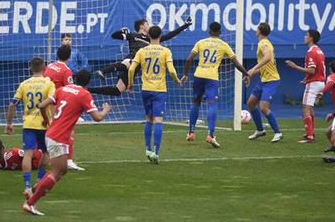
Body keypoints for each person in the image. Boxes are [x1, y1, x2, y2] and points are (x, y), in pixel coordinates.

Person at [23, 70, 111, 215]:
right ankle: (30, 203)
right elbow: (97, 118)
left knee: (62, 170)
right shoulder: (84, 94)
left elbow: (42, 104)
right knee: (57, 173)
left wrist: (46, 120)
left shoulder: (61, 89)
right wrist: (105, 110)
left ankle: (33, 190)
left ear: (74, 79)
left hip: (53, 134)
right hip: (58, 137)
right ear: (88, 83)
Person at [180, 22, 249, 147]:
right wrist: (246, 74)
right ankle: (210, 135)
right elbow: (235, 63)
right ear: (220, 32)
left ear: (209, 31)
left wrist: (185, 74)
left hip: (198, 75)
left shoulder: (201, 42)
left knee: (196, 102)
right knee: (212, 104)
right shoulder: (224, 45)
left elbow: (189, 59)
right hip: (212, 78)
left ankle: (191, 132)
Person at [89, 17, 192, 96]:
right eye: (147, 24)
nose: (149, 26)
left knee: (117, 91)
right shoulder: (133, 35)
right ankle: (103, 71)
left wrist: (185, 25)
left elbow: (169, 35)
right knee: (128, 63)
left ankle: (89, 90)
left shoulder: (151, 39)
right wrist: (121, 31)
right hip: (132, 58)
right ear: (142, 26)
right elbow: (114, 36)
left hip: (135, 68)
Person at [127, 26, 182, 164]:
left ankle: (147, 149)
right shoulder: (165, 51)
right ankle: (156, 153)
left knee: (148, 119)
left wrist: (130, 83)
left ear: (148, 36)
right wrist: (176, 80)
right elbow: (172, 71)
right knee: (158, 120)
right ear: (160, 35)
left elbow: (132, 69)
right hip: (159, 90)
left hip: (146, 89)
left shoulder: (142, 51)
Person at [6, 57, 55, 197]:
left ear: (30, 68)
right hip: (44, 124)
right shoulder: (48, 83)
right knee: (46, 153)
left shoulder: (24, 84)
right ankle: (39, 182)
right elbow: (51, 102)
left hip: (28, 124)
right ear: (44, 67)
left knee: (28, 153)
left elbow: (12, 104)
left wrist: (9, 123)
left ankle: (27, 187)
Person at [43, 45, 84, 171]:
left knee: (48, 131)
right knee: (68, 131)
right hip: (56, 105)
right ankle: (68, 160)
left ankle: (46, 158)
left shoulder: (49, 66)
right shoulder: (66, 70)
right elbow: (70, 90)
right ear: (69, 56)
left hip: (46, 102)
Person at [285, 29, 326, 143]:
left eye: (306, 35)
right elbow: (319, 69)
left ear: (311, 38)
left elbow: (312, 70)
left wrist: (294, 66)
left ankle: (309, 137)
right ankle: (311, 133)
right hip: (320, 82)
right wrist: (306, 78)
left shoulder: (311, 52)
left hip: (314, 83)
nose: (304, 37)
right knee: (310, 108)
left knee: (305, 109)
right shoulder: (319, 51)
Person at [246, 22, 283, 143]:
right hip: (264, 80)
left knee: (263, 107)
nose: (255, 30)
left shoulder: (264, 43)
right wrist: (250, 73)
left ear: (260, 31)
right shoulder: (264, 43)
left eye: (257, 28)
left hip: (271, 80)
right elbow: (265, 65)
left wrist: (253, 68)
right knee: (251, 103)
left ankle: (278, 132)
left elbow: (267, 57)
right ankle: (260, 130)